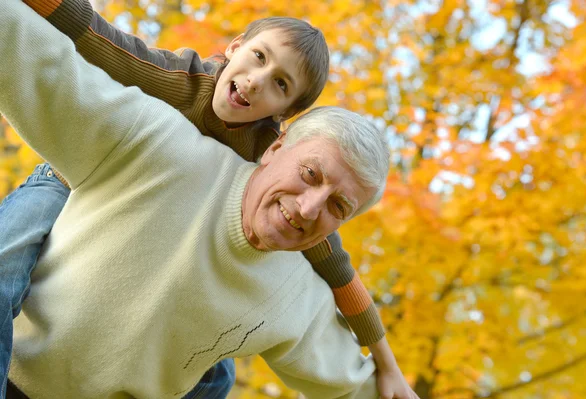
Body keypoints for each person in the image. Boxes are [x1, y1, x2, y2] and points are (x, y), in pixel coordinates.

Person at [0, 0, 416, 398]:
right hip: (66, 179)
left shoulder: (270, 161)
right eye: (258, 57)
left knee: (216, 376)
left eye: (280, 84)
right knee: (7, 260)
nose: (256, 81)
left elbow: (340, 274)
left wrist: (386, 361)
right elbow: (97, 38)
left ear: (283, 116)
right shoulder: (176, 83)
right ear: (234, 47)